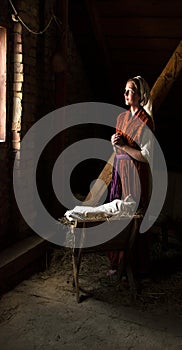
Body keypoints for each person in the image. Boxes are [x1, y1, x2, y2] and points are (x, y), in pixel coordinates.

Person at [107, 75, 155, 278]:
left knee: (134, 218)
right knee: (118, 215)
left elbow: (146, 156)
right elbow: (118, 148)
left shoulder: (145, 121)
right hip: (120, 173)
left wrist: (124, 147)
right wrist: (114, 141)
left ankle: (134, 266)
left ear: (139, 94)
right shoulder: (121, 118)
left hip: (135, 174)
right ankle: (117, 264)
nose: (126, 94)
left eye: (130, 91)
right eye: (125, 90)